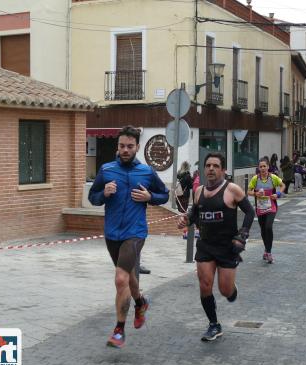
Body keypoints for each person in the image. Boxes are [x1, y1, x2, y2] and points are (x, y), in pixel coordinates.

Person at [88, 126, 169, 349]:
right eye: (122, 146)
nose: (125, 150)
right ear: (118, 146)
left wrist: (149, 196)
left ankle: (119, 330)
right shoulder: (106, 170)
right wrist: (103, 193)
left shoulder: (146, 172)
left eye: (130, 146)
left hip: (135, 232)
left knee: (120, 279)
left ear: (137, 147)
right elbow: (92, 197)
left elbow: (164, 195)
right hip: (112, 233)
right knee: (130, 279)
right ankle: (141, 303)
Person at [177, 153, 255, 342]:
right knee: (205, 285)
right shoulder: (199, 191)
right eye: (208, 165)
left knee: (225, 291)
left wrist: (242, 236)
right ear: (204, 169)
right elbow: (195, 216)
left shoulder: (232, 189)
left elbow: (249, 212)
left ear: (223, 170)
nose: (211, 169)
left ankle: (231, 290)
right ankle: (214, 325)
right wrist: (185, 220)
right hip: (205, 246)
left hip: (227, 247)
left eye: (216, 166)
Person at [247, 158, 285, 263]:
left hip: (271, 207)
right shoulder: (255, 179)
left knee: (268, 226)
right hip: (260, 208)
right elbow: (248, 191)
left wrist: (277, 194)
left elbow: (283, 186)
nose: (263, 168)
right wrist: (255, 193)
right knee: (263, 230)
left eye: (264, 166)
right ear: (258, 168)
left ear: (268, 167)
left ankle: (269, 252)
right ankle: (266, 249)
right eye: (261, 166)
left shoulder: (273, 178)